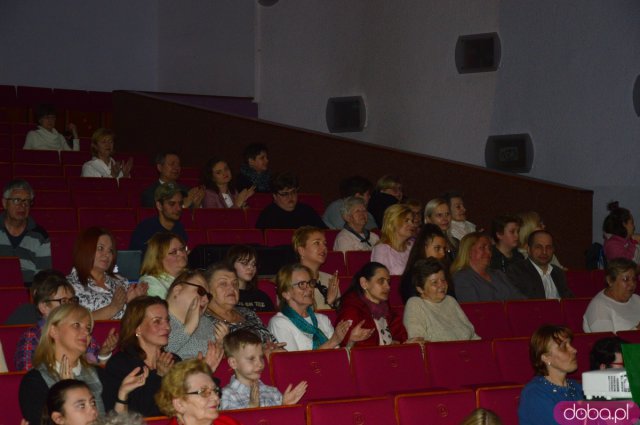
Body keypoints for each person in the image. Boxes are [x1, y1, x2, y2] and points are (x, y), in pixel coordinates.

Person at [18, 304, 148, 425]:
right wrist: (67, 390)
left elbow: (116, 422)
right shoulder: (34, 381)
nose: (86, 333)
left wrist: (122, 394)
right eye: (76, 325)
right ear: (53, 331)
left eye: (88, 328)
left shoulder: (99, 374)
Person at [15, 269, 117, 371]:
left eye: (72, 300)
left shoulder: (81, 330)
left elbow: (96, 372)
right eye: (63, 301)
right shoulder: (32, 337)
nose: (70, 306)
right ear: (44, 307)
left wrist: (103, 354)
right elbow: (28, 377)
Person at [268, 263, 374, 351]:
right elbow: (295, 365)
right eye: (302, 284)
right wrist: (333, 341)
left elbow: (339, 358)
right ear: (286, 293)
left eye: (310, 283)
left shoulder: (322, 319)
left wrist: (351, 341)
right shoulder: (280, 323)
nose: (309, 289)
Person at [102, 296, 178, 416]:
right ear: (138, 328)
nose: (167, 327)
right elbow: (139, 414)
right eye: (157, 321)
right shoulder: (120, 365)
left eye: (167, 320)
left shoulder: (173, 360)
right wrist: (159, 377)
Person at [67, 227, 148, 320]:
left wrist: (134, 302)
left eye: (110, 250)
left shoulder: (120, 281)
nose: (107, 254)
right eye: (100, 248)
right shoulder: (69, 286)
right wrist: (113, 308)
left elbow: (133, 321)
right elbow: (72, 322)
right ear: (85, 249)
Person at [219, 329, 307, 410]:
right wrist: (252, 407)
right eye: (251, 359)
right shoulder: (227, 395)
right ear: (233, 363)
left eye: (261, 357)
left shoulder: (272, 391)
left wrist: (284, 405)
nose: (260, 364)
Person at [518, 325, 583, 425]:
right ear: (546, 357)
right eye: (563, 347)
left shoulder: (577, 387)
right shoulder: (535, 394)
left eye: (570, 344)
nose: (574, 350)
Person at [403, 258, 479, 341]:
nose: (442, 285)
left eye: (443, 280)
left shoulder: (450, 301)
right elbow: (418, 342)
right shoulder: (415, 304)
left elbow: (472, 334)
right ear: (420, 289)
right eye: (434, 282)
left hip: (468, 351)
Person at [336, 262, 408, 346]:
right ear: (364, 283)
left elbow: (400, 338)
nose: (388, 287)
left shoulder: (387, 310)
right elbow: (345, 350)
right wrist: (351, 341)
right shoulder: (351, 311)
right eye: (381, 281)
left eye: (388, 282)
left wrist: (404, 344)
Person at [205, 262, 278, 343]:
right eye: (223, 283)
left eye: (235, 283)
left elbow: (271, 341)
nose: (232, 288)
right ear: (208, 289)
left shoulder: (248, 312)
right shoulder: (204, 321)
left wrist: (272, 349)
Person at [154, 359, 241, 425]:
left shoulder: (227, 422)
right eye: (203, 392)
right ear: (179, 404)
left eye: (215, 390)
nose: (216, 397)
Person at [166, 269, 225, 361]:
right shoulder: (156, 317)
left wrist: (220, 346)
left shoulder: (206, 322)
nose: (206, 300)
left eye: (208, 296)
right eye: (200, 291)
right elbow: (159, 353)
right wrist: (189, 327)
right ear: (177, 290)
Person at [0, 179, 51, 285]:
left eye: (26, 201)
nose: (22, 206)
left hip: (28, 295)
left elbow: (43, 278)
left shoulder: (40, 236)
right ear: (5, 203)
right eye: (16, 200)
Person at [452, 232, 524, 302]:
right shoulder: (462, 278)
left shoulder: (498, 274)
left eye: (489, 248)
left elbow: (520, 299)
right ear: (469, 251)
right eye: (482, 248)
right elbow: (473, 309)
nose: (488, 252)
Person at [506, 230, 573, 299]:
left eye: (548, 247)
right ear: (529, 249)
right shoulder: (517, 271)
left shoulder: (558, 272)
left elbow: (569, 300)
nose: (544, 252)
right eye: (538, 247)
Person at [583, 257, 640, 333]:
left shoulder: (637, 299)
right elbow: (608, 343)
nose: (632, 284)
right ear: (610, 280)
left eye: (634, 279)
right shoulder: (599, 308)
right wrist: (637, 329)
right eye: (626, 279)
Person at [129, 183, 189, 253]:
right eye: (172, 204)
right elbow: (135, 260)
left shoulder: (180, 229)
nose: (178, 208)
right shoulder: (144, 230)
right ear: (159, 206)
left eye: (180, 203)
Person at [254, 172, 326, 229]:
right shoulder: (268, 216)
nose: (290, 196)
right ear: (275, 196)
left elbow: (324, 232)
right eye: (285, 194)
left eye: (293, 192)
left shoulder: (307, 211)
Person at [399, 223, 450, 303]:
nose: (443, 253)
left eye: (444, 249)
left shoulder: (444, 272)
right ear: (423, 247)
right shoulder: (412, 277)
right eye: (437, 248)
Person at [293, 226, 340, 310]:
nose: (324, 248)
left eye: (324, 243)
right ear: (301, 251)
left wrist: (333, 304)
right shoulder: (291, 279)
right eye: (317, 243)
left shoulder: (329, 279)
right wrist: (329, 302)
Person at [140, 151, 205, 208]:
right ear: (160, 167)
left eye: (178, 164)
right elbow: (156, 217)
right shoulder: (150, 193)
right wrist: (183, 206)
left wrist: (197, 205)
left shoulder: (186, 190)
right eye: (172, 164)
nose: (176, 168)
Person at [225, 245, 275, 312]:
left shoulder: (262, 296)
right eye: (245, 263)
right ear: (231, 265)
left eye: (253, 264)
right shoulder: (225, 295)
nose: (251, 268)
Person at [371, 204, 416, 275]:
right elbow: (380, 279)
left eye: (412, 221)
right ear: (393, 223)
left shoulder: (412, 247)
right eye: (406, 221)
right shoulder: (382, 249)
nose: (412, 225)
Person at [139, 233, 188, 298]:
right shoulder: (151, 283)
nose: (182, 254)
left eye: (182, 249)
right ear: (158, 258)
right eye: (174, 252)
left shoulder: (188, 276)